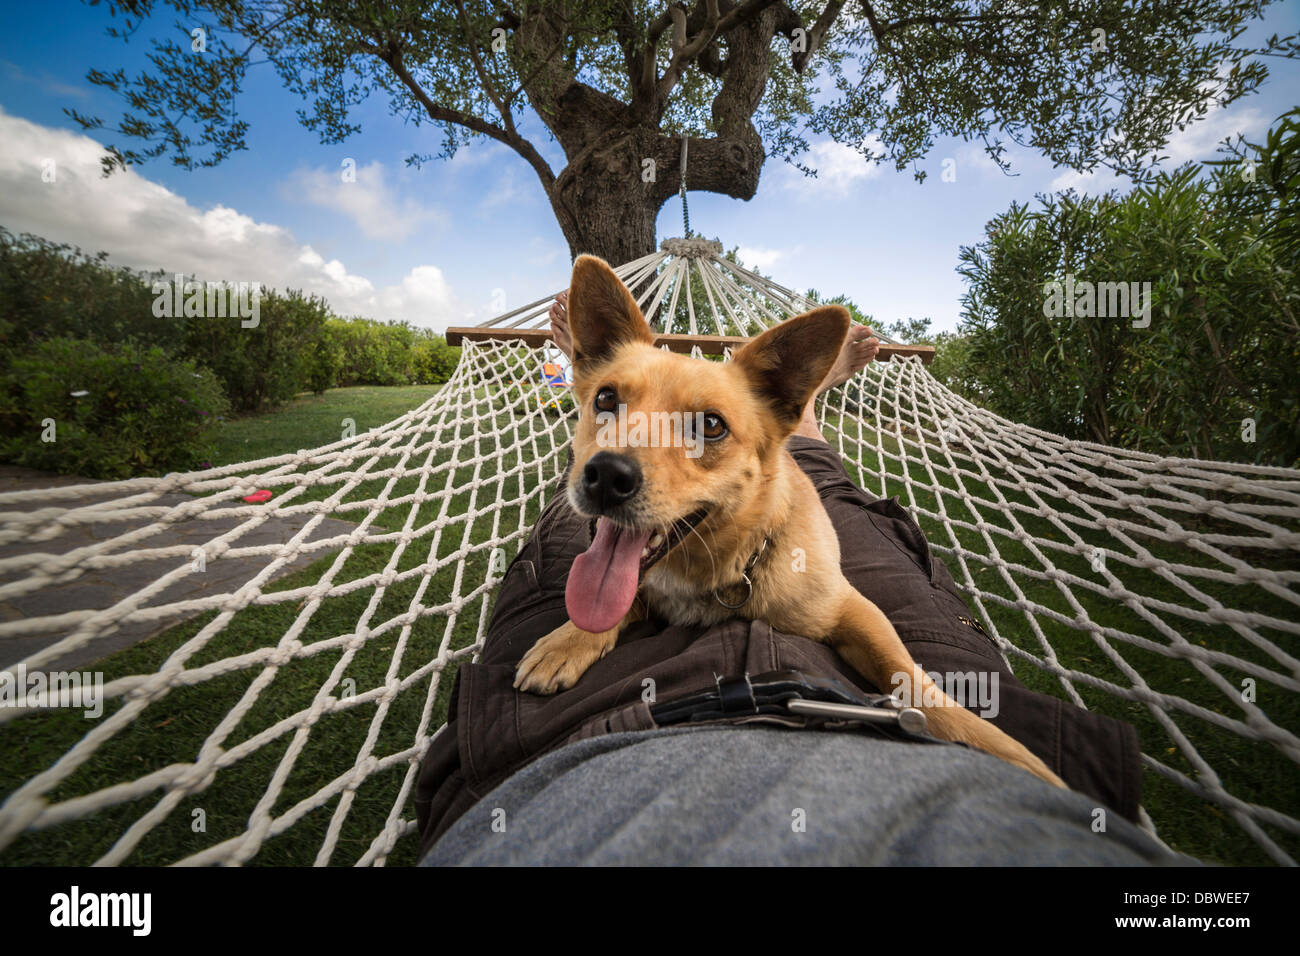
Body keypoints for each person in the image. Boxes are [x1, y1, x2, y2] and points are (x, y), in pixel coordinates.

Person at [414, 294, 1189, 866]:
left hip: (776, 545)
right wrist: (600, 620)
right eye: (609, 404)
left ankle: (804, 409)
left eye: (703, 428)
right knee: (578, 519)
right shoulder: (606, 482)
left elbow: (846, 612)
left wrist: (924, 699)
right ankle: (764, 413)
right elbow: (613, 474)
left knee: (824, 484)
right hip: (699, 604)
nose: (623, 453)